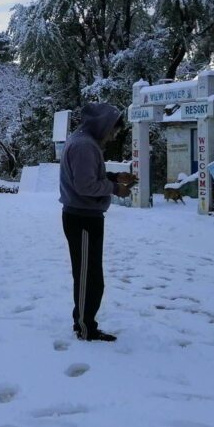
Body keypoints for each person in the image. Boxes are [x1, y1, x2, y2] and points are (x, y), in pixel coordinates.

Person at [58, 103, 136, 342]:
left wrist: (113, 177)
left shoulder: (84, 141)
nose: (113, 136)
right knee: (87, 277)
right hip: (82, 218)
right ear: (104, 125)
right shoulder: (84, 145)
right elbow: (85, 185)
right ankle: (84, 327)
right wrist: (115, 188)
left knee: (92, 277)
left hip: (86, 217)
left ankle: (85, 322)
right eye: (113, 131)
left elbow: (87, 176)